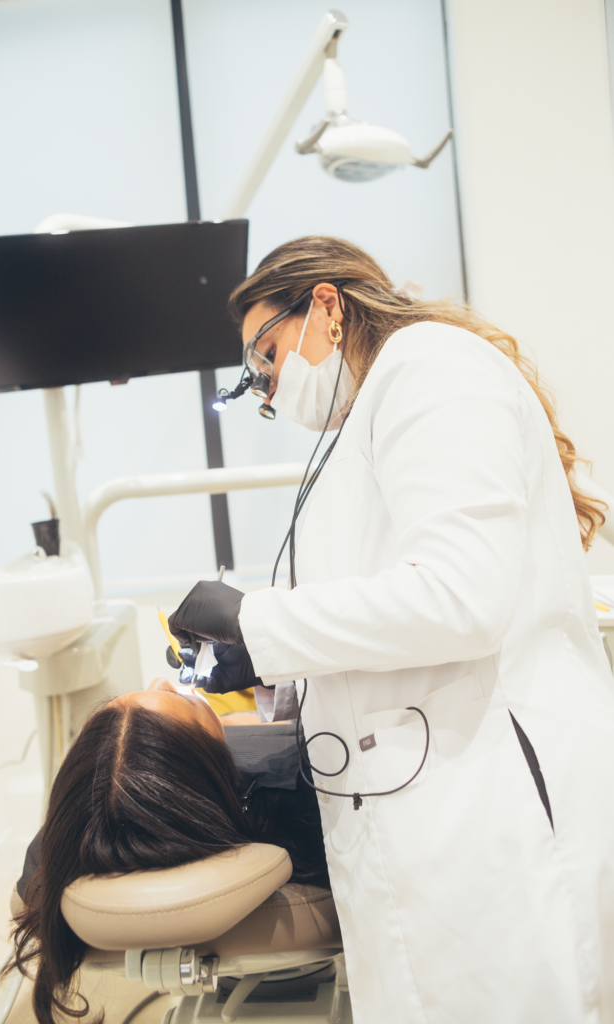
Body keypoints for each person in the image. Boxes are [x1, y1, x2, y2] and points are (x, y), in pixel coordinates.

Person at [168, 235, 614, 1023]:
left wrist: (255, 621)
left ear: (327, 305)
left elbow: (458, 598)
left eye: (266, 353)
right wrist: (264, 663)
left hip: (490, 803)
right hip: (412, 801)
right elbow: (377, 611)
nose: (269, 386)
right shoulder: (363, 422)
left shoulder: (429, 368)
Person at [10, 680, 328, 1024]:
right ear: (222, 771)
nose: (161, 681)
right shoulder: (307, 799)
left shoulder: (65, 838)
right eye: (186, 703)